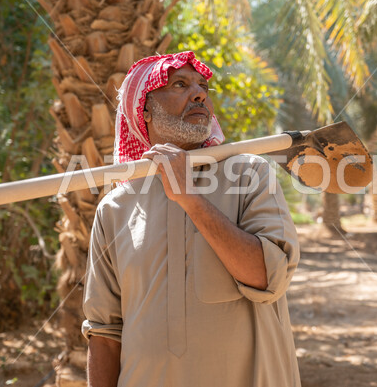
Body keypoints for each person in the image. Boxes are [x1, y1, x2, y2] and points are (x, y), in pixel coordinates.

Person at [82, 51, 301, 387]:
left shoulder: (249, 173)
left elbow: (268, 278)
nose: (199, 93)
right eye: (180, 84)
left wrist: (190, 199)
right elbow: (105, 333)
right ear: (144, 110)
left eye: (202, 86)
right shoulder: (115, 208)